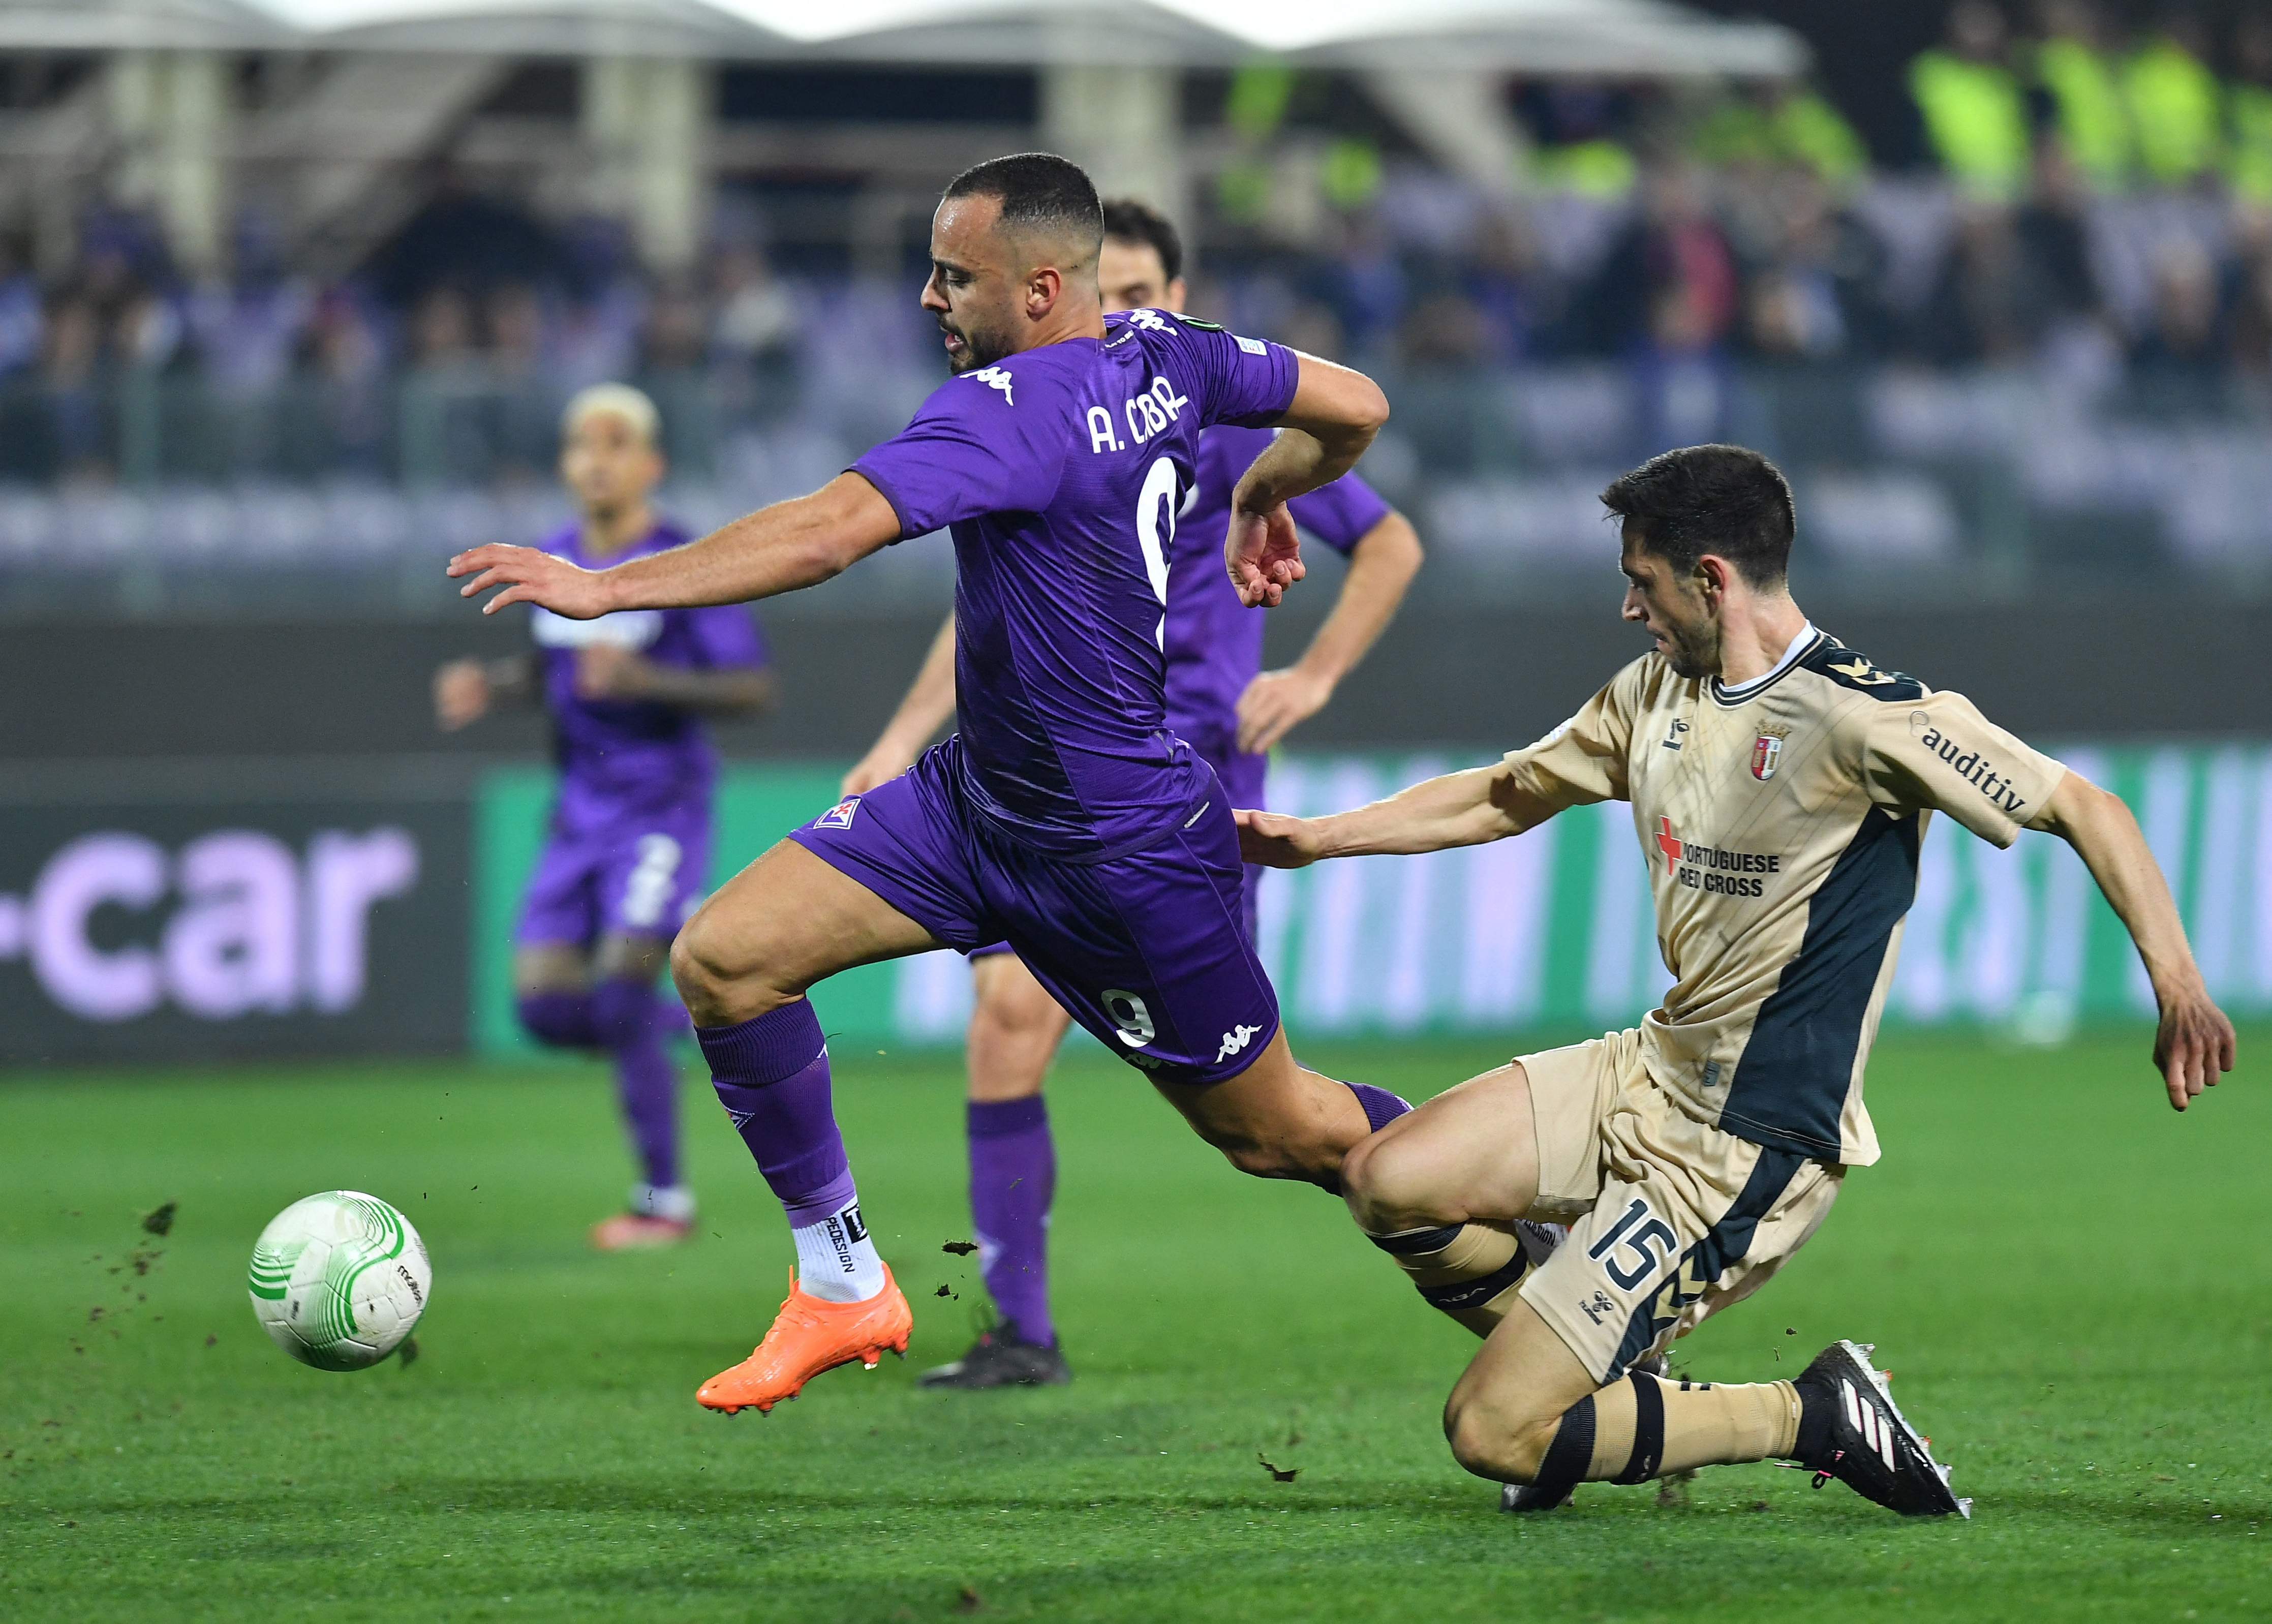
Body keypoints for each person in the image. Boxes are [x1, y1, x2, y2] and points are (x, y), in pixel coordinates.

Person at [445, 154, 1413, 1417]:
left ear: (1042, 286)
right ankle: (852, 1281)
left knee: (1277, 1132)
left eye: (953, 275)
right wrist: (1273, 485)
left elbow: (829, 529)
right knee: (726, 959)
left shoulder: (1001, 409)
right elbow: (1358, 402)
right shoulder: (1177, 354)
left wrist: (612, 584)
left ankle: (1507, 1195)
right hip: (980, 802)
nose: (925, 297)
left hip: (1122, 835)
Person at [1239, 443, 2235, 1518]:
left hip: (1745, 1138)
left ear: (1709, 577)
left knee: (1494, 1429)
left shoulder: (1866, 718)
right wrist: (1319, 839)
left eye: (1643, 581)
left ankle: (1811, 1412)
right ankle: (1619, 1361)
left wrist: (2177, 982)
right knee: (1387, 1176)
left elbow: (2087, 806)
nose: (1630, 608)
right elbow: (1504, 792)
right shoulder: (1655, 689)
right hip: (1649, 1065)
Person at [839, 198, 1429, 1389]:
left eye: (1160, 294)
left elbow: (1390, 536)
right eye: (1129, 292)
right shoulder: (1059, 420)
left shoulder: (1219, 415)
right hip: (1062, 791)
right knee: (1004, 1031)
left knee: (1271, 1131)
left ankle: (1489, 1191)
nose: (1141, 315)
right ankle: (1021, 1326)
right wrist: (905, 734)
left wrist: (1310, 676)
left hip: (1190, 784)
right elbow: (995, 620)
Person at [435, 383, 775, 1250]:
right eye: (582, 444)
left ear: (651, 464)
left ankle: (664, 1203)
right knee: (545, 1011)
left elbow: (749, 687)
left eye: (617, 443)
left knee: (621, 985)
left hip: (660, 808)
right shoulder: (552, 558)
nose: (597, 458)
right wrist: (494, 686)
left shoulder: (682, 562)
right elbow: (557, 671)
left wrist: (645, 681)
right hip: (576, 814)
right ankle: (691, 1026)